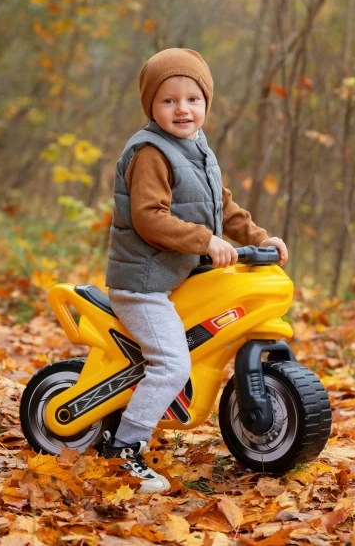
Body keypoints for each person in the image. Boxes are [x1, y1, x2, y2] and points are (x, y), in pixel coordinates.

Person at [101, 48, 288, 493]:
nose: (182, 109)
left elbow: (222, 206)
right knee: (170, 364)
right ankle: (123, 448)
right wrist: (206, 241)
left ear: (206, 103)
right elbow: (150, 218)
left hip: (177, 279)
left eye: (192, 99)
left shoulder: (196, 147)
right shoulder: (149, 153)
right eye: (168, 100)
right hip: (144, 286)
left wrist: (259, 239)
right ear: (151, 106)